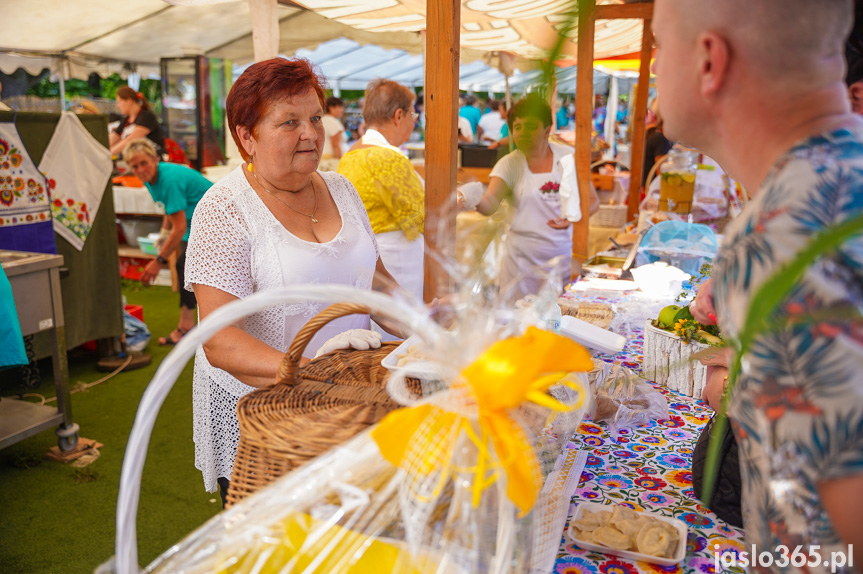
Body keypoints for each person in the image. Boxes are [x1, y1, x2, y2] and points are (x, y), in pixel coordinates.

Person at [655, 0, 863, 565]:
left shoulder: (789, 229)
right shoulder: (835, 176)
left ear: (708, 60)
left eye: (657, 43)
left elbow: (828, 543)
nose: (652, 67)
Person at [184, 58, 400, 505]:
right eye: (289, 122)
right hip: (268, 420)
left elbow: (376, 282)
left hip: (347, 402)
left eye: (316, 118)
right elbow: (220, 341)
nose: (311, 133)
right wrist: (305, 369)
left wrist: (428, 321)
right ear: (247, 136)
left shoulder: (342, 189)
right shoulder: (224, 208)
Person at [472, 95, 599, 299]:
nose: (522, 133)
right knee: (518, 321)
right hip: (519, 261)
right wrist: (469, 196)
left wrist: (572, 218)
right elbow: (489, 204)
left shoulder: (567, 157)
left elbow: (592, 202)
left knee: (556, 320)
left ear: (547, 130)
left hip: (559, 258)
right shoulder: (509, 164)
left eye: (530, 127)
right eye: (518, 127)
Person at [337, 79, 425, 305]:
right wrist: (461, 199)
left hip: (365, 256)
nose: (413, 123)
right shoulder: (387, 158)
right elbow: (423, 217)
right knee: (399, 325)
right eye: (412, 116)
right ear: (398, 116)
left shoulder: (351, 154)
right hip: (395, 262)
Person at [122, 138, 211, 345]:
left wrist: (158, 262)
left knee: (185, 266)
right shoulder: (150, 178)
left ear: (154, 159)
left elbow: (178, 227)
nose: (140, 169)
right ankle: (191, 324)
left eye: (144, 163)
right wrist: (163, 233)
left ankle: (188, 326)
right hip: (194, 220)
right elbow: (169, 208)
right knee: (186, 267)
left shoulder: (169, 179)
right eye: (135, 166)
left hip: (215, 218)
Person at [109, 86, 164, 157]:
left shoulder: (146, 116)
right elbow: (113, 137)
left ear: (129, 101)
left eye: (119, 102)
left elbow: (131, 140)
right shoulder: (126, 120)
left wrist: (108, 152)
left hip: (153, 158)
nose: (118, 106)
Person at [642, 113, 672, 187]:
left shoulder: (655, 135)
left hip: (645, 185)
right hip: (650, 188)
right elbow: (661, 170)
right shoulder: (661, 140)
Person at [320, 96, 346, 172]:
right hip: (331, 161)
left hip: (323, 160)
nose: (342, 110)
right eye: (340, 107)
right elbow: (335, 145)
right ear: (331, 108)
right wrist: (340, 163)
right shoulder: (333, 123)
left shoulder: (322, 120)